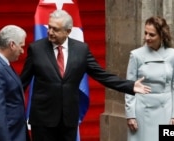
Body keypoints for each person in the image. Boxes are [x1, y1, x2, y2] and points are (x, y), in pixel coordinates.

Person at [20, 9, 151, 141]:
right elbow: (22, 82)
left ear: (68, 31)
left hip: (68, 120)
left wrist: (130, 86)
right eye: (49, 27)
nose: (50, 32)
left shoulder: (81, 50)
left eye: (55, 29)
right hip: (43, 120)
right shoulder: (36, 49)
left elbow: (101, 75)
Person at [125, 16, 174, 141]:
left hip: (165, 110)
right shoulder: (136, 55)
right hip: (142, 110)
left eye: (152, 35)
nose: (147, 38)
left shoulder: (173, 55)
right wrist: (130, 115)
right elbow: (129, 86)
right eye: (145, 33)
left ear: (162, 36)